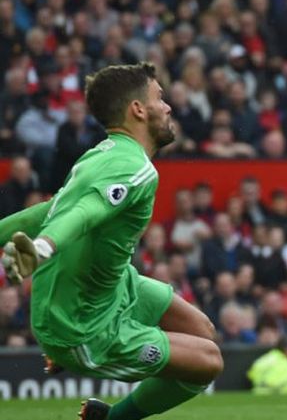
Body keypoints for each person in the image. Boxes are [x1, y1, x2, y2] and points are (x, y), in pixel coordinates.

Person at [0, 63, 223, 420]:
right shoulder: (136, 170)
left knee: (202, 331)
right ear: (138, 109)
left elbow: (49, 210)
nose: (167, 107)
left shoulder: (99, 155)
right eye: (159, 98)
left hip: (110, 288)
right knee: (208, 361)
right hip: (83, 326)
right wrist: (43, 247)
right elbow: (84, 211)